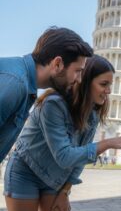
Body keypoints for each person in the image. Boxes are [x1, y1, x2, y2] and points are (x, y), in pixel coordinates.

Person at [4, 55, 121, 211]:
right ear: (85, 82)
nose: (108, 91)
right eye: (104, 84)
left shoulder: (93, 114)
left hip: (55, 180)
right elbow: (65, 156)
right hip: (25, 172)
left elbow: (79, 160)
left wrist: (65, 191)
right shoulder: (53, 104)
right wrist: (105, 144)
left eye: (110, 85)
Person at [0, 26, 93, 163]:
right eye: (77, 71)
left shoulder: (23, 83)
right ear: (57, 64)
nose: (79, 79)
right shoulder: (15, 85)